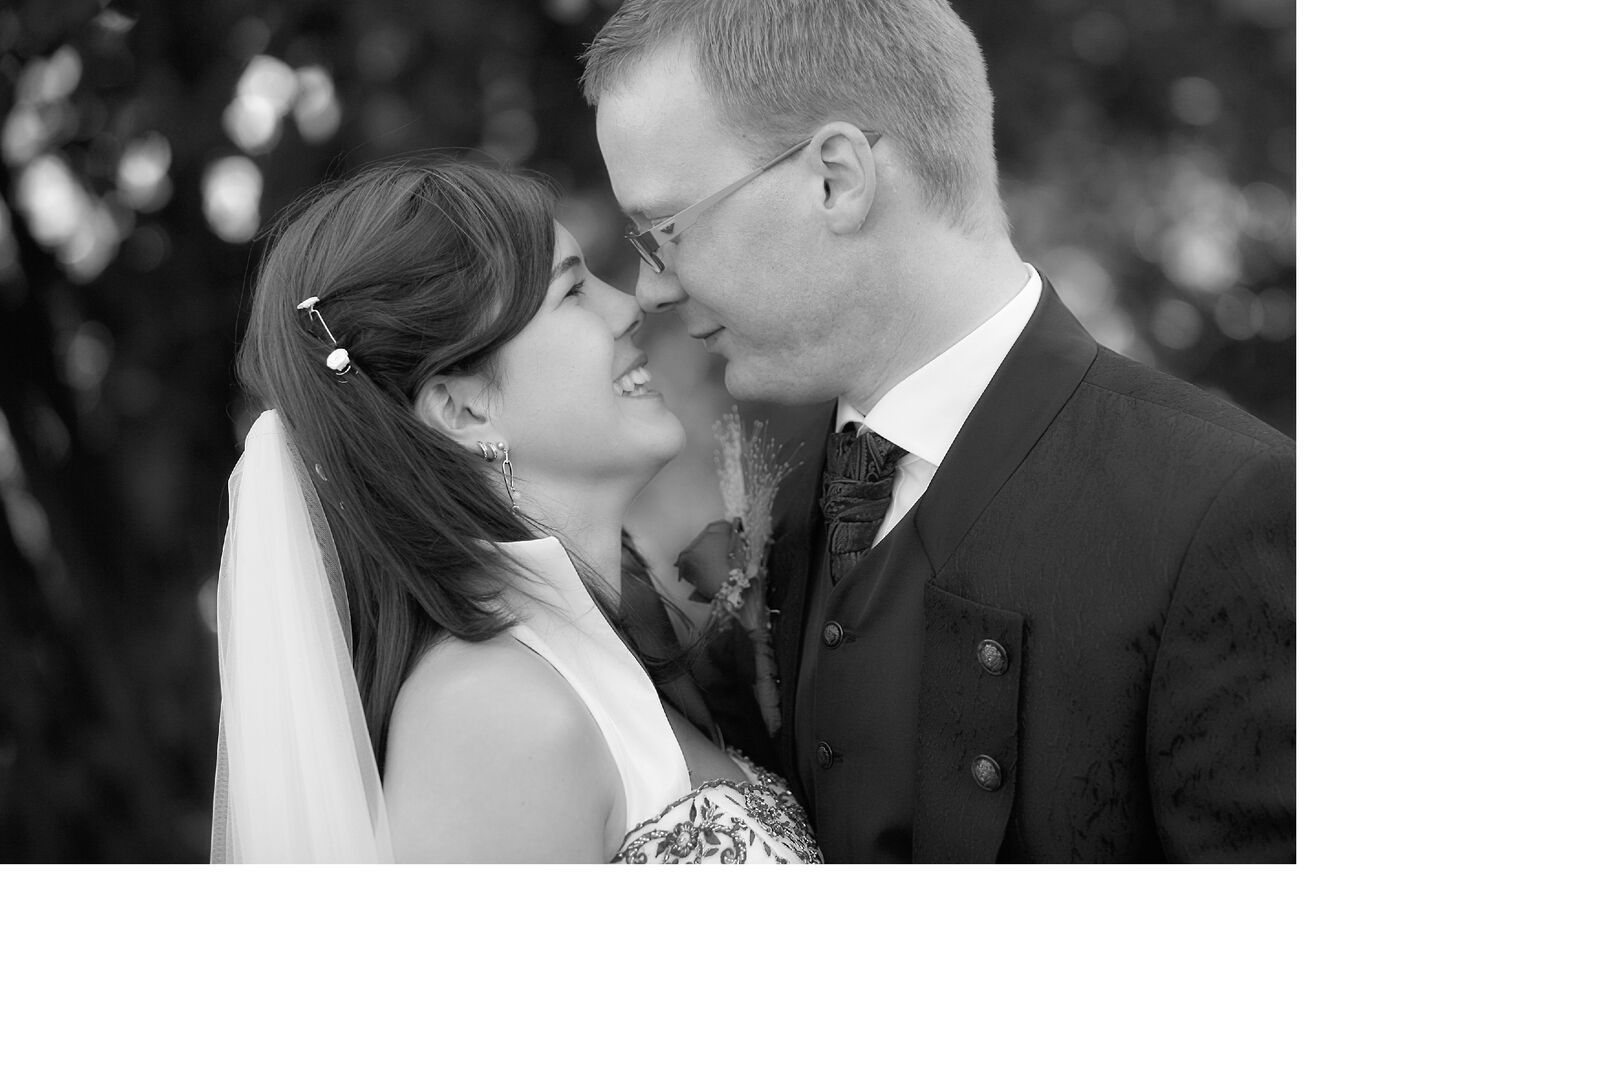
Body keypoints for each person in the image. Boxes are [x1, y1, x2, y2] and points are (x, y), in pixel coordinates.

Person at [584, 0, 1295, 862]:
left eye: (665, 231)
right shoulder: (784, 507)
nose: (651, 290)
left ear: (836, 179)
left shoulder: (1227, 507)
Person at [209, 158, 819, 863]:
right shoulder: (490, 717)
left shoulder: (604, 653)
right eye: (573, 291)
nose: (629, 306)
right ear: (463, 409)